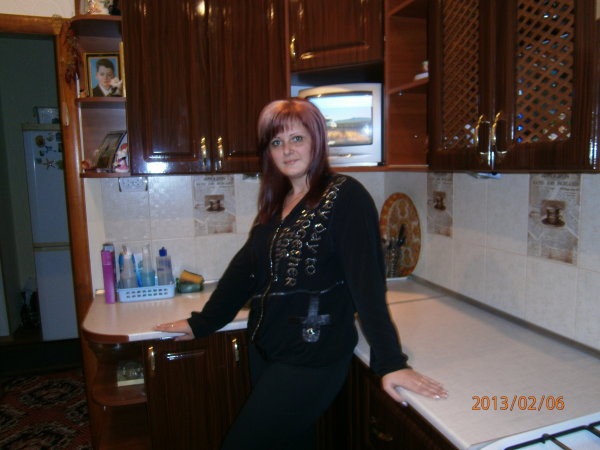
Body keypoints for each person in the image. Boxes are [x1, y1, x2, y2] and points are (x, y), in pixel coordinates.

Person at [154, 98, 447, 450]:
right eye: (277, 142)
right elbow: (244, 270)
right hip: (266, 350)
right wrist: (203, 322)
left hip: (311, 358)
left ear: (317, 141)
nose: (287, 150)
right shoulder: (277, 202)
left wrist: (390, 362)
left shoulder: (345, 195)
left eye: (297, 138)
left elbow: (367, 285)